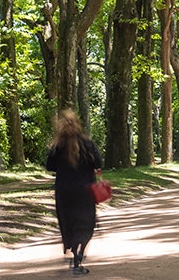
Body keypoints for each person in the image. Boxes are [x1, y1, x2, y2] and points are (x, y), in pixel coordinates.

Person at [46, 109, 102, 275]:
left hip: (64, 190)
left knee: (68, 222)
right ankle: (79, 255)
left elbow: (49, 166)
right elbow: (98, 162)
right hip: (85, 190)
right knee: (86, 224)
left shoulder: (57, 146)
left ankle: (72, 248)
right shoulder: (87, 144)